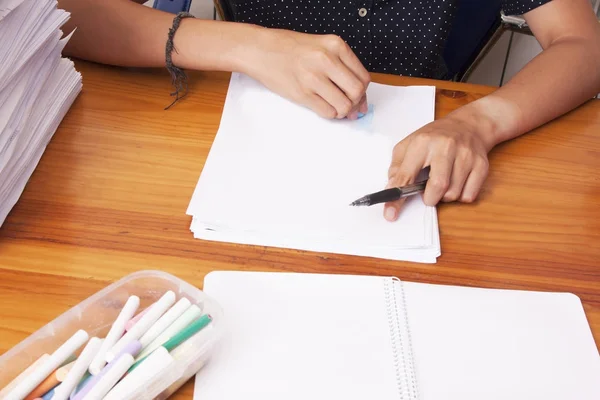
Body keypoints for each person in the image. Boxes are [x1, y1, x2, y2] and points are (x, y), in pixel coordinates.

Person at [58, 0, 600, 222]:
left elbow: (583, 45)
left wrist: (479, 122)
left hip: (431, 180)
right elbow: (69, 14)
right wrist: (250, 46)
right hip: (242, 158)